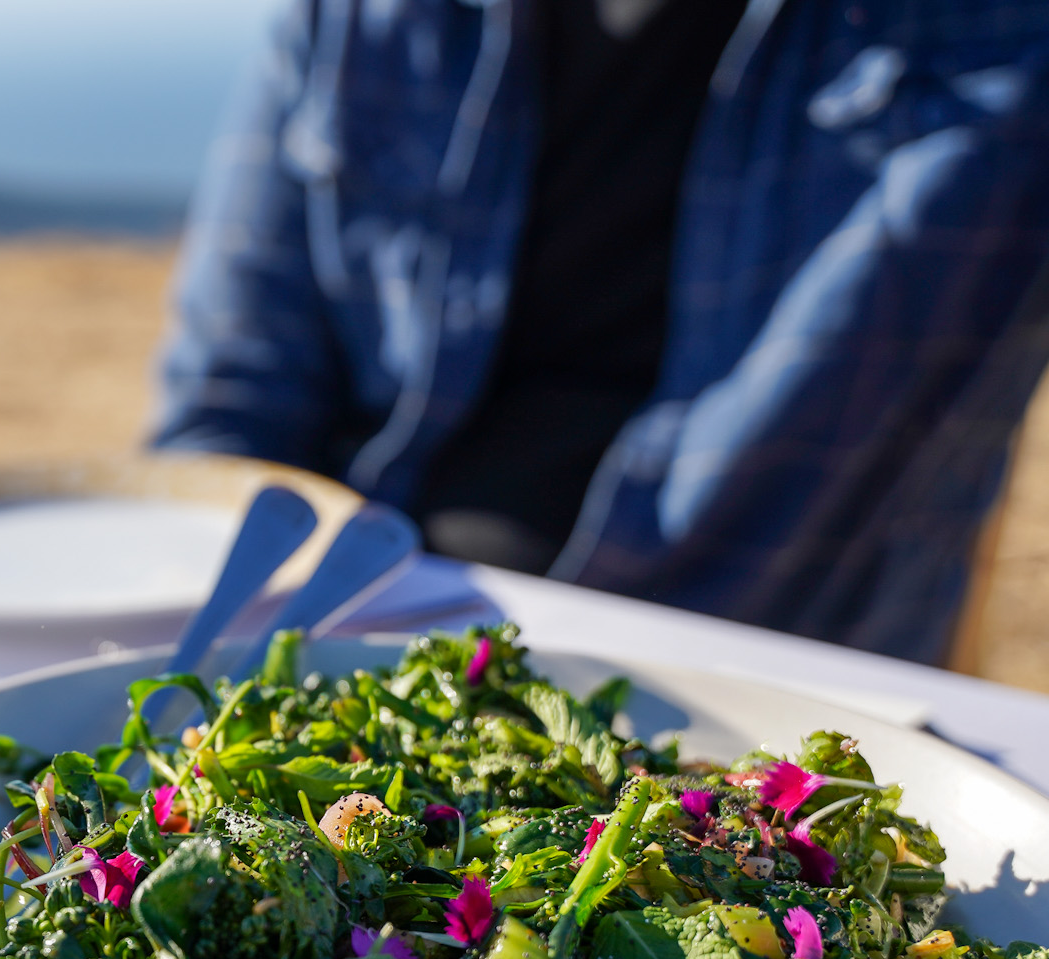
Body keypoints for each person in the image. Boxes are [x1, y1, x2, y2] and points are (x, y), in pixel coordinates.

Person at [151, 0, 1049, 664]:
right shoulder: (362, 20)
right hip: (338, 649)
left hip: (738, 718)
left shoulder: (991, 36)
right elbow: (226, 409)